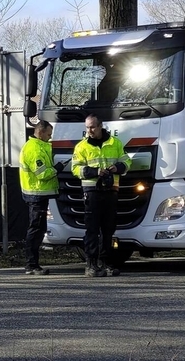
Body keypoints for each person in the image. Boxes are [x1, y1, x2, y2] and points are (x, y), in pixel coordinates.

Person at [72, 115, 131, 277]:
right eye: (87, 127)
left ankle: (106, 263)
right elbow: (75, 169)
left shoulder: (115, 143)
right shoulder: (81, 146)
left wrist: (117, 168)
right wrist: (95, 172)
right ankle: (91, 265)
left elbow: (127, 162)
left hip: (111, 190)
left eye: (92, 127)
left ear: (100, 126)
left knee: (108, 229)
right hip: (92, 191)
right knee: (92, 229)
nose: (89, 131)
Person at [18, 119, 63, 275]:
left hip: (38, 194)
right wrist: (57, 169)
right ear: (41, 132)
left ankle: (33, 264)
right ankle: (31, 265)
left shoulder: (38, 146)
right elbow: (43, 174)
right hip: (36, 195)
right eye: (49, 134)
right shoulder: (34, 149)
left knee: (38, 229)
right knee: (35, 229)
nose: (50, 137)